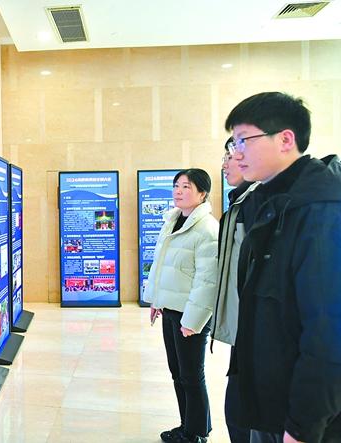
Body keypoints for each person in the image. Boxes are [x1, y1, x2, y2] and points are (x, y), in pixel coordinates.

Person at [225, 91, 341, 443]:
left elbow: (328, 332)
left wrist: (304, 424)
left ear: (286, 139)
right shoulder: (266, 203)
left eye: (244, 140)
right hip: (267, 401)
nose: (236, 153)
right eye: (233, 142)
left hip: (301, 417)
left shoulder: (321, 211)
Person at [143, 168, 219, 443]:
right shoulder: (174, 221)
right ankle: (189, 425)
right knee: (178, 372)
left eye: (186, 186)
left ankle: (196, 433)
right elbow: (161, 265)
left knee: (191, 375)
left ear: (202, 193)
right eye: (176, 185)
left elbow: (207, 281)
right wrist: (156, 300)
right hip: (172, 309)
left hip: (190, 313)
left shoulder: (207, 229)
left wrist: (193, 320)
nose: (178, 191)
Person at [211, 137, 260, 443]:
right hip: (244, 329)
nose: (225, 164)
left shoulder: (261, 204)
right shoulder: (240, 203)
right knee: (238, 411)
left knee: (245, 414)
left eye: (229, 156)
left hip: (259, 333)